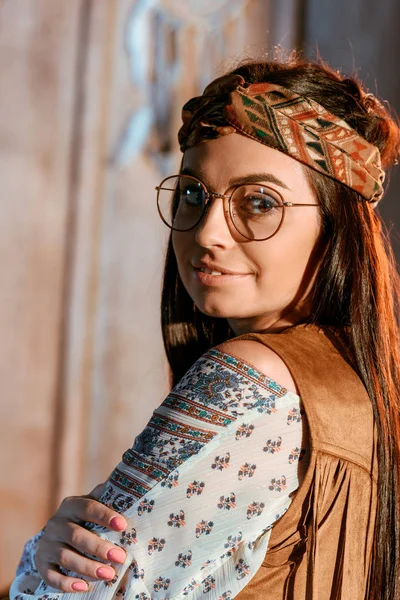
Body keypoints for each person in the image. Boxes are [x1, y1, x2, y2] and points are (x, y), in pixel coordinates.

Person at [10, 54, 400, 599]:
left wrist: (38, 562)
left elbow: (71, 593)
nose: (209, 231)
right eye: (193, 194)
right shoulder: (358, 390)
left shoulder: (252, 379)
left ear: (335, 226)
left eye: (259, 202)